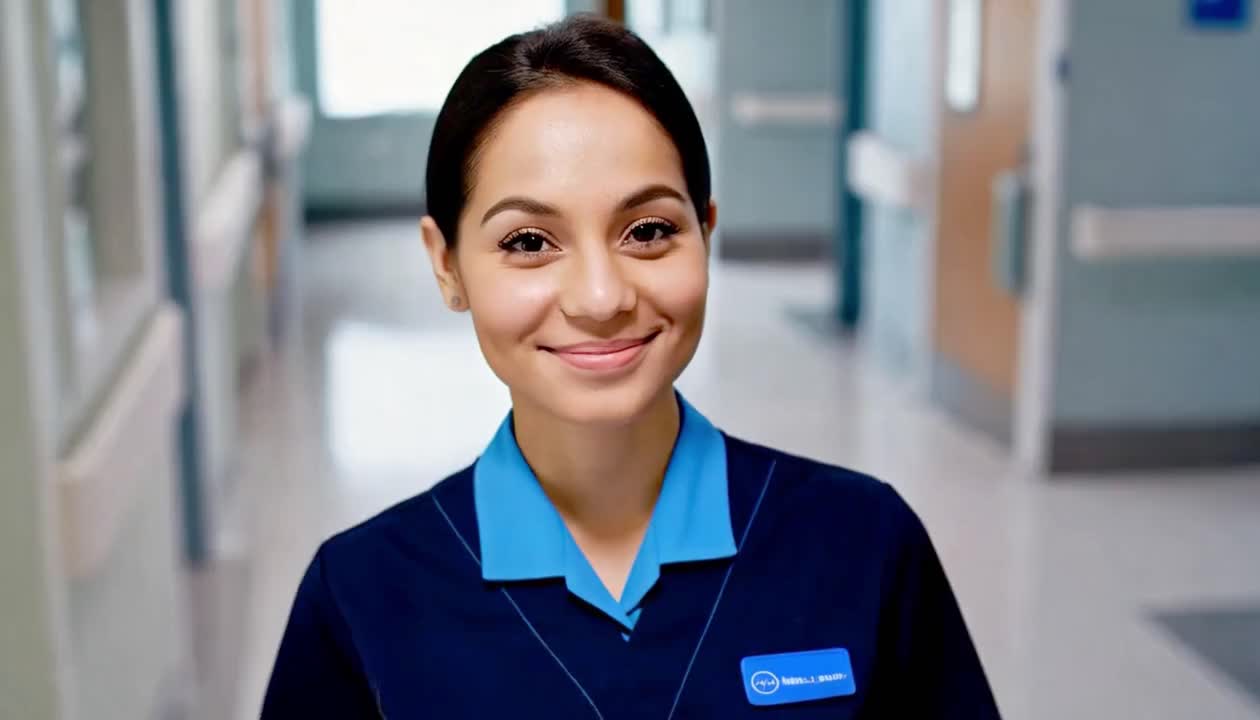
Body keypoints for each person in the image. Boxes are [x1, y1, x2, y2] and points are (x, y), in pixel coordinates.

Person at [262, 14, 1000, 719]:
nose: (601, 296)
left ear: (704, 233)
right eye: (528, 242)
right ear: (446, 264)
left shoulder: (864, 546)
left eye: (648, 230)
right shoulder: (362, 599)